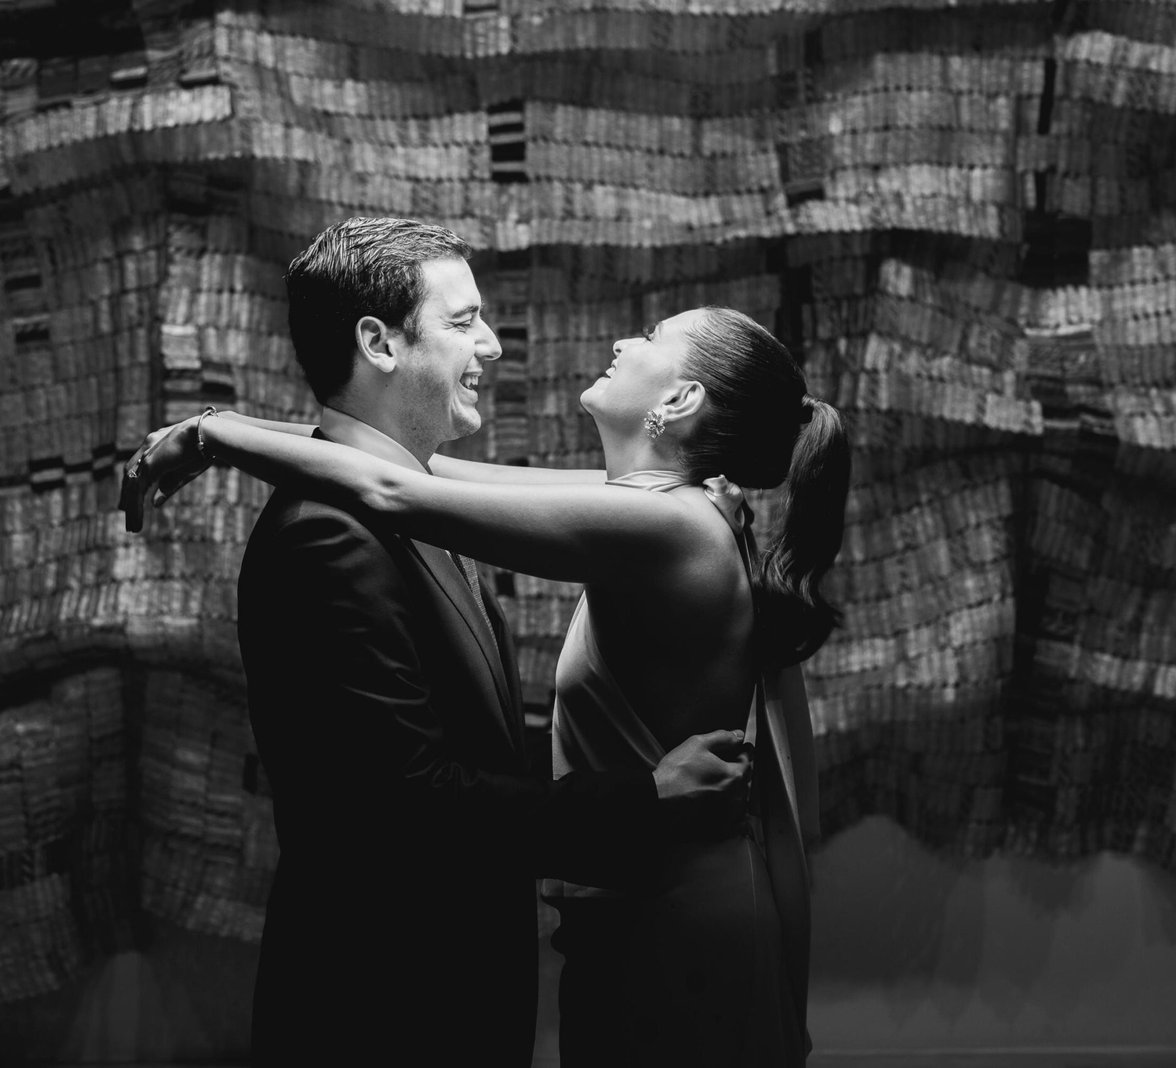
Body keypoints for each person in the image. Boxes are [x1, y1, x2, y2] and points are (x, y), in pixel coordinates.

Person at [124, 241, 851, 1064]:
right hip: (640, 893)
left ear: (681, 398)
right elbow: (419, 471)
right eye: (463, 321)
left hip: (678, 910)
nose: (626, 341)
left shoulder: (670, 523)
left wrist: (212, 433)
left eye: (651, 336)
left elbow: (393, 488)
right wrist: (224, 435)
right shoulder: (660, 504)